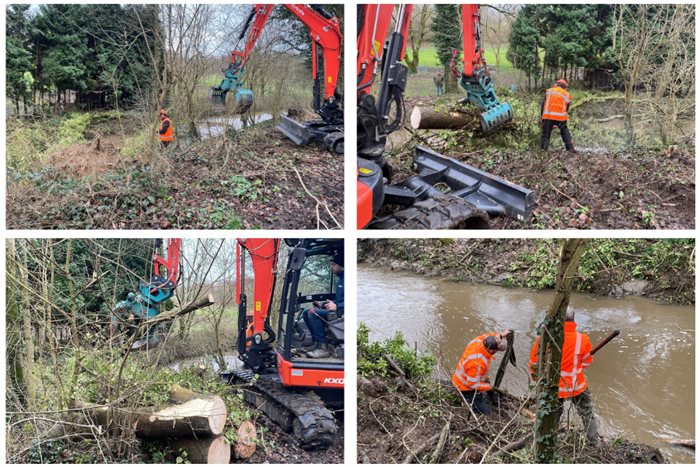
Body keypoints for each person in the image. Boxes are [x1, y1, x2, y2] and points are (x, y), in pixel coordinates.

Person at [529, 308, 599, 444]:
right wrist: (575, 369)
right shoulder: (582, 339)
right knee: (587, 413)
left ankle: (550, 441)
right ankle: (595, 441)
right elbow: (587, 361)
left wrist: (537, 380)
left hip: (554, 387)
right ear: (574, 319)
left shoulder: (546, 338)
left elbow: (534, 363)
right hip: (577, 386)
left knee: (553, 415)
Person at [452, 330, 510, 415]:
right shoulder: (477, 363)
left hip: (473, 376)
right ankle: (471, 403)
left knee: (488, 386)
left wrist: (502, 335)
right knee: (485, 412)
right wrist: (488, 387)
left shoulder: (480, 340)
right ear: (491, 351)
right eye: (497, 350)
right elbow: (471, 384)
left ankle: (493, 399)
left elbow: (489, 335)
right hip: (465, 386)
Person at [303, 252, 344, 358]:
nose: (331, 267)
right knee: (306, 312)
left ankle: (322, 348)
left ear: (341, 265)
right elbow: (340, 299)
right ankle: (316, 343)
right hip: (338, 309)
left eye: (333, 264)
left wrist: (337, 306)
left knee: (313, 313)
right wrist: (323, 304)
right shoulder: (341, 280)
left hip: (342, 313)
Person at [540, 79, 575, 153]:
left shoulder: (549, 91)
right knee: (565, 132)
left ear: (556, 84)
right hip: (561, 117)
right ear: (565, 87)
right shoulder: (566, 94)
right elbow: (566, 108)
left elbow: (543, 105)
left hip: (548, 116)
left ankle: (543, 150)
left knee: (546, 133)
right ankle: (570, 149)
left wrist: (542, 118)